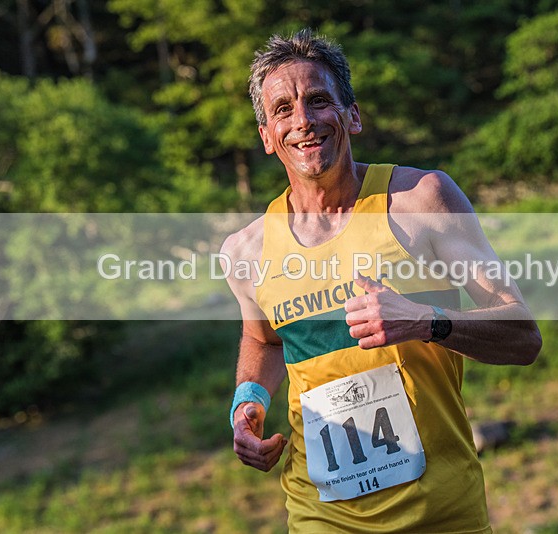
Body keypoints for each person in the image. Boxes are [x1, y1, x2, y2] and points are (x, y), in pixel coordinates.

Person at [221, 28, 541, 533]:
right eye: (283, 109)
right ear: (267, 137)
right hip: (321, 516)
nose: (303, 121)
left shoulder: (422, 200)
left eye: (318, 100)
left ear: (353, 115)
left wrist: (426, 321)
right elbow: (264, 342)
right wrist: (248, 404)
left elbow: (522, 335)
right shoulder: (247, 251)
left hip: (441, 514)